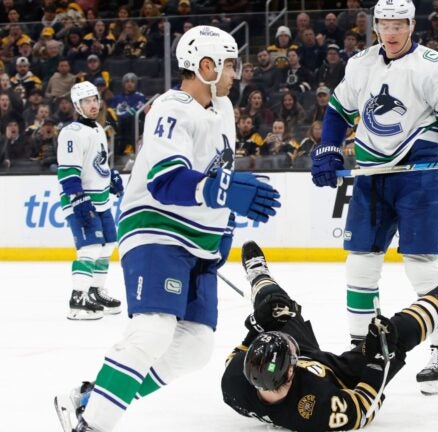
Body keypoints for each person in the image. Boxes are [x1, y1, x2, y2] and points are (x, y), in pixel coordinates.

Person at [54, 25, 281, 432]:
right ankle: (91, 426)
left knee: (195, 347)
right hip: (157, 230)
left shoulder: (223, 109)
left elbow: (216, 174)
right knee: (153, 330)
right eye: (230, 64)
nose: (236, 73)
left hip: (199, 242)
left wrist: (222, 229)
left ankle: (94, 398)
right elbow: (165, 178)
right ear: (206, 66)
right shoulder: (171, 107)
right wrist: (223, 191)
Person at [309, 0, 438, 396]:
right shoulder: (361, 64)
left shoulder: (432, 66)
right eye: (384, 23)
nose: (391, 31)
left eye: (398, 24)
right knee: (360, 265)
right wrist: (330, 148)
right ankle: (361, 353)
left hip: (419, 177)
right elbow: (337, 111)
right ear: (376, 26)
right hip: (371, 177)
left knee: (421, 267)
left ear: (412, 25)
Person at [221, 241, 438, 431]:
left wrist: (257, 324)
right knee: (394, 336)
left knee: (277, 308)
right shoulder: (315, 411)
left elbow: (244, 349)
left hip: (292, 364)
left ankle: (258, 275)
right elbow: (364, 408)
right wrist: (376, 360)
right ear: (291, 371)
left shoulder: (234, 383)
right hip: (341, 375)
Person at [54, 81, 122, 320]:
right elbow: (68, 173)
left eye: (94, 99)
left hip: (101, 199)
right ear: (77, 105)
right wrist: (78, 199)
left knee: (108, 245)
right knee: (90, 248)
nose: (92, 104)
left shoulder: (98, 129)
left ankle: (95, 291)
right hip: (82, 200)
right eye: (86, 101)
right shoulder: (71, 133)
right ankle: (78, 298)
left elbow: (98, 163)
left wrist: (110, 176)